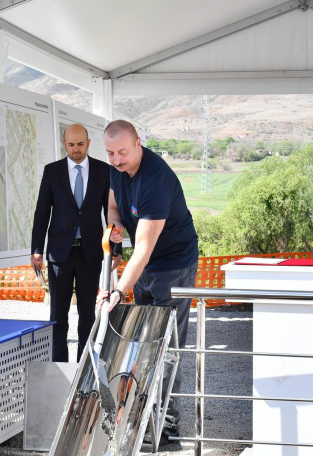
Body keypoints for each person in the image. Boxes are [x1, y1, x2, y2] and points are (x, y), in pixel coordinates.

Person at [96, 119, 198, 450]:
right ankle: (141, 418)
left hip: (173, 265)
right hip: (146, 266)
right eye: (110, 153)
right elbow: (113, 204)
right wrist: (114, 225)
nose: (116, 160)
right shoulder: (117, 167)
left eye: (122, 152)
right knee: (142, 340)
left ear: (139, 142)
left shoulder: (156, 179)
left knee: (166, 345)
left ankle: (166, 430)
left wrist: (117, 291)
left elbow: (142, 248)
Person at [31, 123, 111, 362]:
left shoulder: (103, 171)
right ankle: (59, 366)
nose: (75, 149)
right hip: (59, 254)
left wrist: (114, 249)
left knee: (88, 314)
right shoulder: (52, 171)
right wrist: (36, 249)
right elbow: (42, 212)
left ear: (88, 143)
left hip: (90, 253)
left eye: (80, 144)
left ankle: (85, 367)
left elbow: (110, 212)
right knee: (58, 315)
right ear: (64, 144)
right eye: (70, 144)